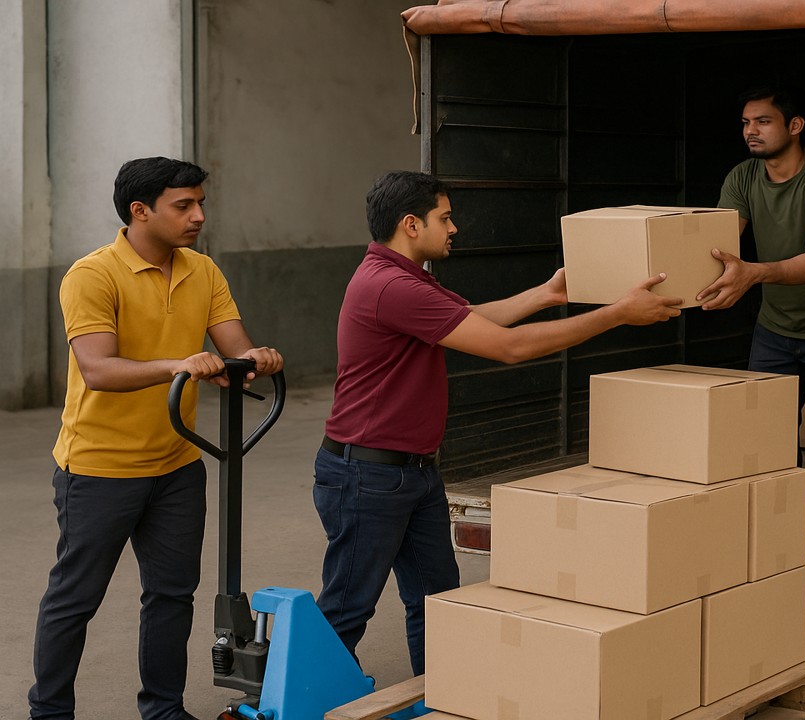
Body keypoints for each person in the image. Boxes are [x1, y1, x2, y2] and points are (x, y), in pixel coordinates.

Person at [314, 170, 682, 675]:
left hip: (412, 472)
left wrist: (545, 295)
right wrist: (617, 314)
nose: (454, 228)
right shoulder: (391, 285)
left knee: (437, 602)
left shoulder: (405, 276)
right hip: (368, 476)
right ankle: (297, 706)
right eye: (445, 218)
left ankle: (442, 699)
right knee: (345, 612)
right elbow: (509, 348)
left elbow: (468, 317)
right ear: (410, 225)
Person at [29, 157, 284, 720]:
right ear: (139, 211)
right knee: (75, 600)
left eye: (200, 203)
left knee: (171, 596)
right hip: (98, 469)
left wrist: (256, 360)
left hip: (175, 464)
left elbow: (232, 351)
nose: (198, 216)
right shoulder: (92, 275)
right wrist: (183, 365)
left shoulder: (203, 270)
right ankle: (49, 713)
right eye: (183, 205)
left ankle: (163, 710)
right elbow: (98, 369)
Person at [698, 85, 805, 521]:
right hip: (774, 329)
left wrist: (753, 272)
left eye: (763, 121)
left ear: (795, 126)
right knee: (766, 442)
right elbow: (714, 247)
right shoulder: (742, 177)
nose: (750, 131)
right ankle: (775, 536)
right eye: (745, 123)